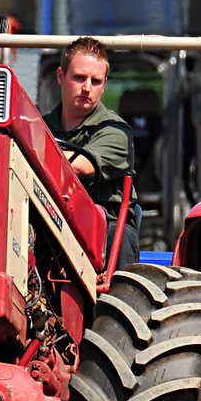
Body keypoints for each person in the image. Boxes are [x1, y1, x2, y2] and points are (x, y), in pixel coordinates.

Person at [42, 36, 138, 267]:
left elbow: (82, 165)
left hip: (101, 233)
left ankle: (111, 300)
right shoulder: (39, 126)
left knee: (120, 234)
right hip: (46, 221)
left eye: (95, 81)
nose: (87, 88)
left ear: (104, 85)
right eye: (79, 78)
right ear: (60, 77)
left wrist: (29, 150)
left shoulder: (116, 131)